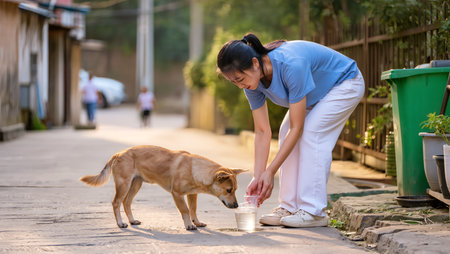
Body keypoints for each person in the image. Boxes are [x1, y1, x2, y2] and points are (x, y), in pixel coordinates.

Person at [216, 33, 365, 228]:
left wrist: (271, 171)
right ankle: (288, 207)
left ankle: (314, 211)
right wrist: (259, 175)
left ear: (254, 63)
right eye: (233, 82)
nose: (239, 85)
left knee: (312, 133)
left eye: (239, 78)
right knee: (286, 130)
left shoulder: (290, 64)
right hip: (316, 95)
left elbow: (298, 128)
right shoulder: (250, 84)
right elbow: (262, 132)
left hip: (345, 83)